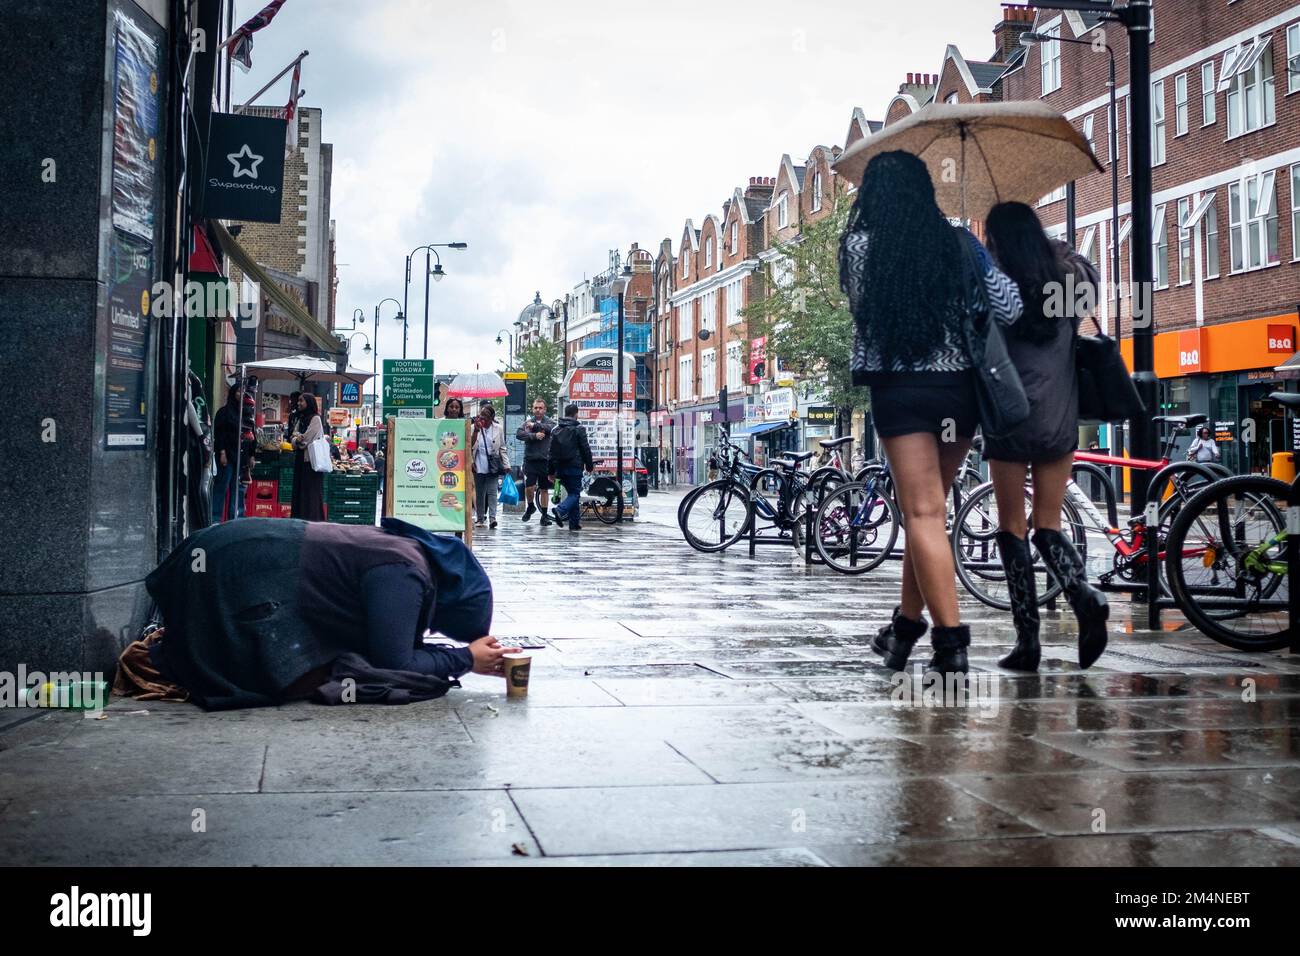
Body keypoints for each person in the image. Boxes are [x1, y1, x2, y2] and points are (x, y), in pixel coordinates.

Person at [839, 150, 1023, 675]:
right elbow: (1007, 307)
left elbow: (862, 308)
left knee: (922, 515)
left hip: (899, 389)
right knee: (931, 515)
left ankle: (951, 642)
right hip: (958, 393)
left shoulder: (858, 248)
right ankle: (903, 630)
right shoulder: (960, 243)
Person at [142, 517, 520, 710]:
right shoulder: (405, 575)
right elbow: (393, 661)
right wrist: (464, 658)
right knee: (248, 665)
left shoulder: (413, 558)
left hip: (244, 548)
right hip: (240, 565)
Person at [981, 201, 1108, 672]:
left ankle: (1027, 642)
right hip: (1059, 413)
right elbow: (1091, 280)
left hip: (1009, 413)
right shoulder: (1069, 277)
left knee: (1012, 526)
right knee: (1048, 524)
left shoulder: (998, 283)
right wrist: (1056, 250)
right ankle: (1084, 596)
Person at [548, 403, 594, 532]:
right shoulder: (579, 428)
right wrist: (589, 465)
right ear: (576, 414)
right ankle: (560, 510)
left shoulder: (556, 429)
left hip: (560, 468)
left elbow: (551, 453)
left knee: (573, 494)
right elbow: (585, 448)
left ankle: (574, 523)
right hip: (574, 466)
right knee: (574, 493)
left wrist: (550, 471)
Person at [517, 398, 556, 525]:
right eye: (535, 408)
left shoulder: (550, 422)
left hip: (545, 460)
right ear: (532, 409)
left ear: (545, 409)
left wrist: (536, 426)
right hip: (531, 460)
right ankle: (530, 506)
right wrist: (533, 436)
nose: (538, 410)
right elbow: (519, 434)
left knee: (544, 489)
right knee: (529, 486)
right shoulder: (527, 422)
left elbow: (551, 429)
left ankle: (544, 515)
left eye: (540, 408)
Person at [211, 384, 245, 522]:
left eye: (243, 391)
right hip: (227, 455)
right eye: (238, 391)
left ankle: (234, 519)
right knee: (222, 487)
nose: (241, 394)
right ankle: (215, 519)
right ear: (233, 393)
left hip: (239, 456)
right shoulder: (224, 412)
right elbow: (220, 434)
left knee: (237, 491)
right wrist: (222, 452)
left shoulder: (243, 413)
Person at [290, 393, 327, 521]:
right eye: (298, 401)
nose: (299, 403)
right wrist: (297, 440)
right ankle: (300, 517)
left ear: (309, 403)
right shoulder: (300, 419)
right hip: (300, 460)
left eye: (302, 401)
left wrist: (298, 440)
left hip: (311, 462)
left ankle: (312, 519)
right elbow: (293, 438)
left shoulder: (315, 419)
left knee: (311, 492)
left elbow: (306, 439)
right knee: (300, 490)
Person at [471, 402, 506, 529]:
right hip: (478, 463)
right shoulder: (473, 428)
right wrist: (476, 430)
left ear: (492, 418)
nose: (483, 419)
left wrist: (506, 464)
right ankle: (480, 518)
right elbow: (470, 447)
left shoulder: (498, 428)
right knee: (480, 493)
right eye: (481, 416)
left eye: (486, 416)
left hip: (493, 464)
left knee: (492, 492)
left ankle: (492, 518)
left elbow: (502, 447)